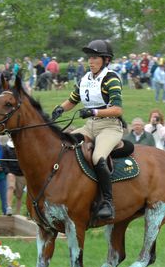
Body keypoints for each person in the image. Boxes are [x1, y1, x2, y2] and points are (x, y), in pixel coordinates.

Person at [51, 39, 123, 220]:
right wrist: (59, 109)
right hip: (89, 126)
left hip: (109, 127)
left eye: (95, 57)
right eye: (89, 57)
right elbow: (72, 100)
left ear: (106, 60)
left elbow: (117, 109)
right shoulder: (85, 79)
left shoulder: (111, 78)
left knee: (98, 157)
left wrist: (93, 111)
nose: (90, 61)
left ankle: (107, 202)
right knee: (61, 144)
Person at [3, 138, 25, 216]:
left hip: (21, 173)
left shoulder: (23, 146)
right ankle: (9, 208)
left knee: (19, 195)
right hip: (11, 172)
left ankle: (18, 213)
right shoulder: (6, 147)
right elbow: (4, 161)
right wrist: (7, 172)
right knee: (11, 186)